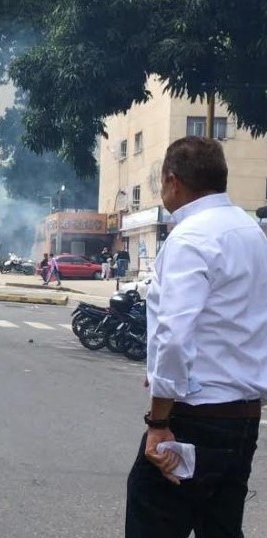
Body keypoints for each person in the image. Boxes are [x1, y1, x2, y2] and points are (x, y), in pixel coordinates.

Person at [125, 136, 267, 536]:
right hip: (242, 418)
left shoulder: (190, 238)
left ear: (173, 182)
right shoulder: (252, 233)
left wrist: (159, 421)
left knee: (151, 517)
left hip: (193, 419)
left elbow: (174, 336)